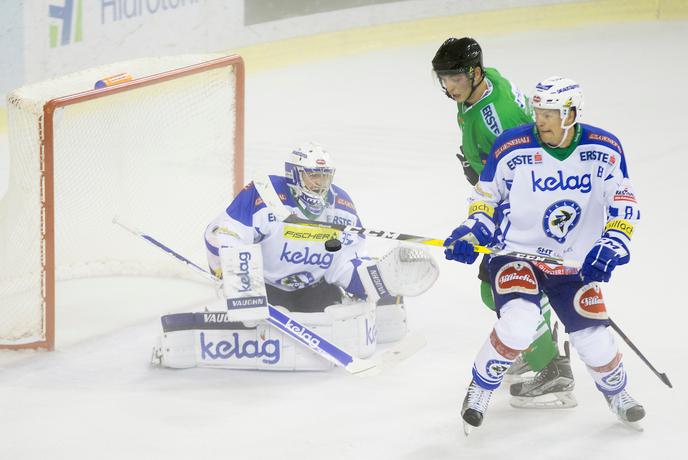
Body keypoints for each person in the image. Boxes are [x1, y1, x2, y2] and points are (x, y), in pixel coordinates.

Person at [444, 76, 644, 434]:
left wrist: (614, 241)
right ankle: (479, 390)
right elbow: (485, 197)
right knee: (519, 322)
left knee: (595, 340)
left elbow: (622, 201)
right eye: (538, 111)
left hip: (571, 264)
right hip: (517, 255)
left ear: (571, 113)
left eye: (550, 113)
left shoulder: (605, 148)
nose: (540, 120)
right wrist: (474, 228)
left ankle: (617, 394)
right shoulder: (513, 146)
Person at [152, 142, 438, 371]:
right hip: (266, 288)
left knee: (350, 302)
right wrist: (231, 276)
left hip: (313, 289)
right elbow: (221, 233)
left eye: (325, 176)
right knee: (250, 320)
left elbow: (345, 260)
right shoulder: (265, 195)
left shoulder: (341, 206)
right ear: (295, 175)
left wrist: (374, 280)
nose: (321, 184)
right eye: (314, 176)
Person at [432, 37, 575, 408]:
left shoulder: (496, 116)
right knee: (509, 286)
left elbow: (525, 165)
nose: (448, 87)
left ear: (474, 72)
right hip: (521, 204)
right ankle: (541, 349)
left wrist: (499, 211)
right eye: (443, 79)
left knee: (500, 286)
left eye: (454, 79)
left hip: (524, 210)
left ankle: (553, 370)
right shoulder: (483, 85)